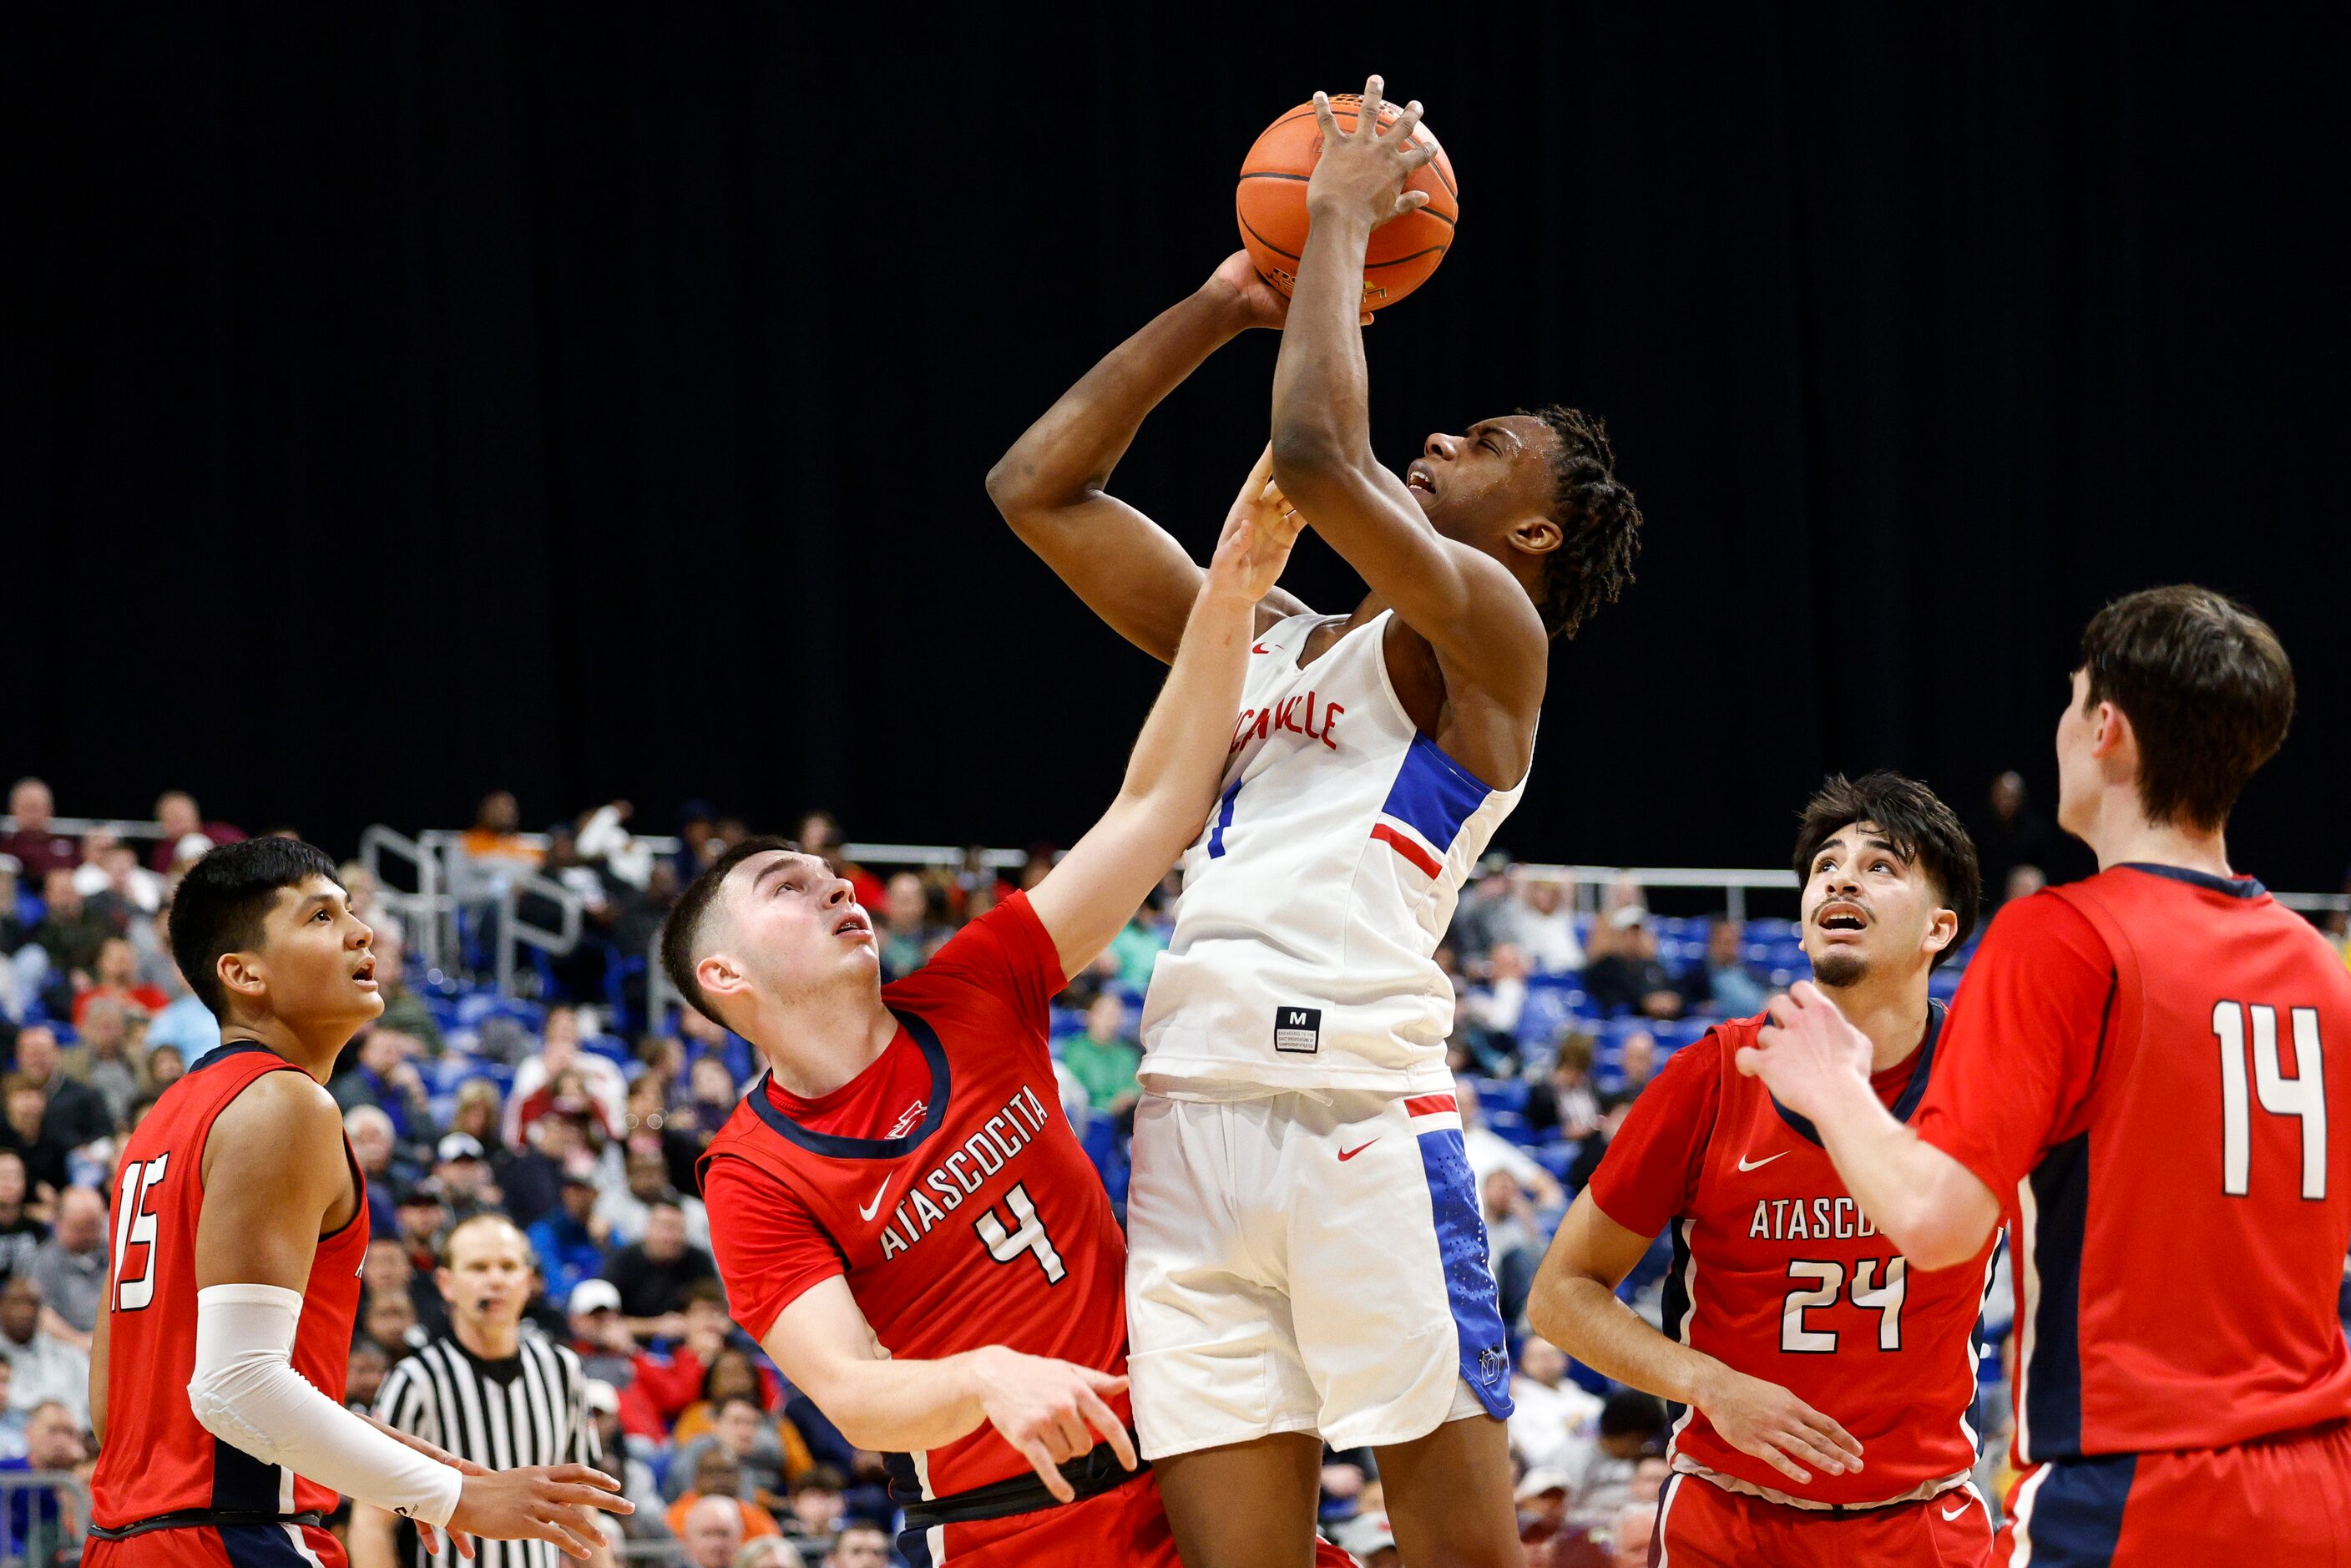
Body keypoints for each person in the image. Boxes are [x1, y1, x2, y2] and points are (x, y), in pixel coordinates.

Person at [992, 74, 1645, 1567]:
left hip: (1352, 1109)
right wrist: (1228, 300)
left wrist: (1341, 220)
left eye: (1484, 445)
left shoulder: (1492, 638)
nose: (1442, 438)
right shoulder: (1269, 638)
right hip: (1190, 1115)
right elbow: (1040, 487)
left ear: (1531, 531)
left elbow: (1314, 461)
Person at [677, 474, 1347, 1568]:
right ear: (725, 972)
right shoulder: (753, 1174)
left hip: (1195, 1468)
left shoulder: (972, 982)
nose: (837, 884)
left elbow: (1153, 806)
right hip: (1015, 1530)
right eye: (787, 888)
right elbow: (852, 1391)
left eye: (829, 870)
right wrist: (985, 1373)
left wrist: (1233, 582)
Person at [1737, 588, 2351, 1565]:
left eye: (2070, 702)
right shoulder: (2319, 964)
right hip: (2322, 1489)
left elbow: (1937, 1227)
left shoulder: (2061, 936)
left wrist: (1831, 1083)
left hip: (2140, 1489)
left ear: (2103, 727)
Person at [82, 838, 630, 1566]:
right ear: (243, 973)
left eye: (351, 910)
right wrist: (456, 1499)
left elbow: (116, 1405)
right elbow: (234, 1386)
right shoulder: (284, 1103)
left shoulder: (160, 1126)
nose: (360, 931)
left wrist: (422, 1468)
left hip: (127, 1542)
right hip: (234, 1538)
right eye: (318, 916)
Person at [1529, 772, 1995, 1565]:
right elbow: (1559, 1296)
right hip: (1729, 1516)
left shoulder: (1989, 1083)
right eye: (1826, 866)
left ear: (1939, 929)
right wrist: (1710, 1384)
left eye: (1882, 865)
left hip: (1921, 1519)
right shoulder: (1710, 1076)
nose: (1842, 876)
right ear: (1806, 924)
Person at [356, 1213, 610, 1568]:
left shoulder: (562, 1370)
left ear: (527, 1280)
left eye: (508, 1267)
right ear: (446, 1284)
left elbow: (582, 1506)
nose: (495, 1280)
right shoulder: (416, 1379)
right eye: (478, 1268)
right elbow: (371, 1521)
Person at [1677, 918, 1768, 1018]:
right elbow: (1682, 1003)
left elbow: (1768, 991)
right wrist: (1698, 1007)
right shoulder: (1697, 974)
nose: (1730, 949)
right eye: (1725, 942)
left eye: (1734, 942)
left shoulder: (1752, 971)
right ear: (1712, 944)